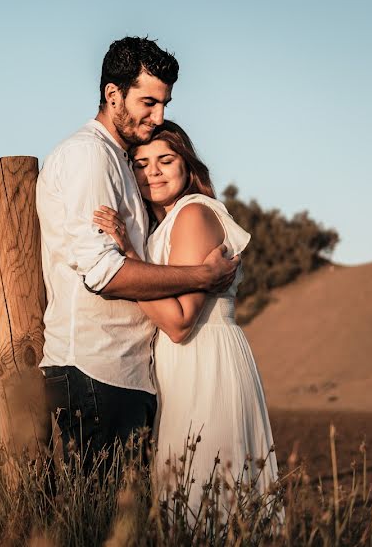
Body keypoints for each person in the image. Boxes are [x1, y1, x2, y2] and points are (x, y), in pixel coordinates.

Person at [36, 37, 239, 472]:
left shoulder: (119, 159)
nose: (159, 116)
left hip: (125, 374)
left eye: (164, 104)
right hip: (96, 370)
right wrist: (200, 276)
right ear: (113, 94)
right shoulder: (89, 156)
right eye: (148, 102)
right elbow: (105, 274)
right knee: (99, 526)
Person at [93, 120, 279, 515]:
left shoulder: (194, 213)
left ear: (187, 165)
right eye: (140, 164)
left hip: (202, 357)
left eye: (165, 159)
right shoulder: (165, 223)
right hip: (185, 363)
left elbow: (178, 323)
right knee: (187, 491)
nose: (152, 172)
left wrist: (125, 256)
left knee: (204, 495)